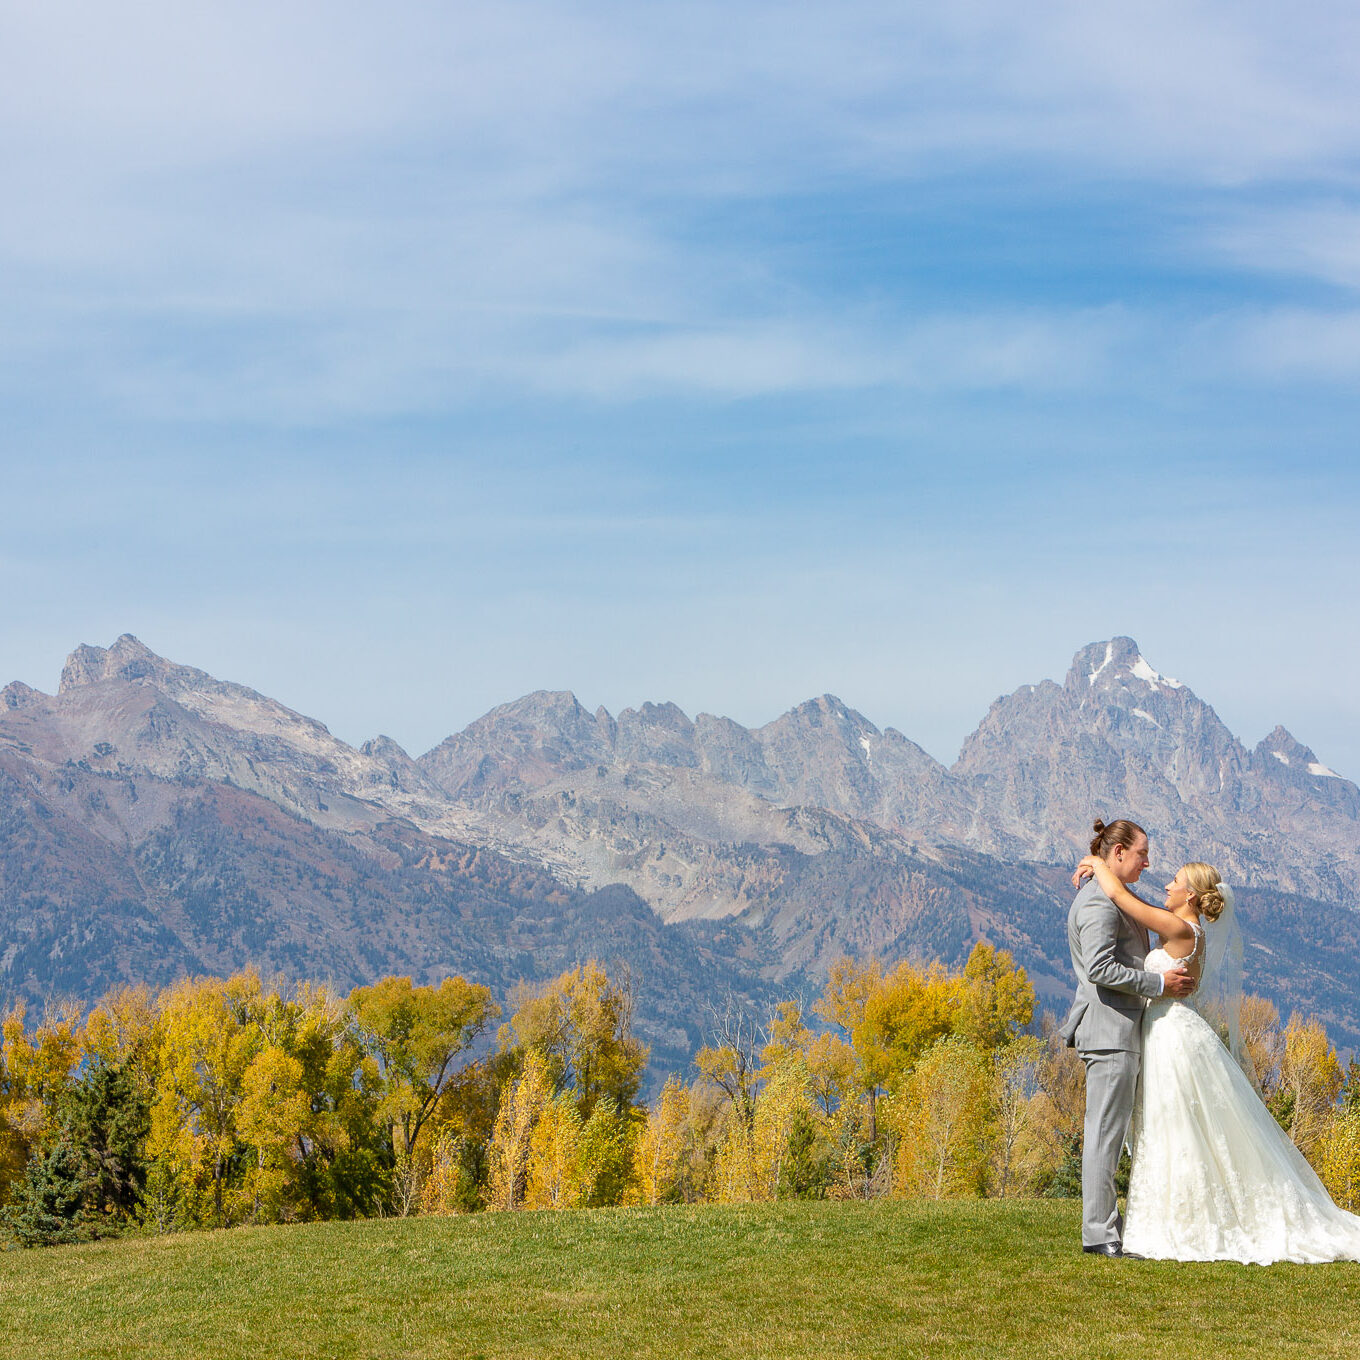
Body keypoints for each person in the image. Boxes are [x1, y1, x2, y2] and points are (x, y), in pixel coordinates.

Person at [1076, 850, 1360, 1263]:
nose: (1167, 886)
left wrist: (1098, 863)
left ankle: (1187, 1219)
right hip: (1166, 1030)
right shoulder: (1189, 928)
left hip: (1171, 1033)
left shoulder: (1179, 926)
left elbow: (1124, 900)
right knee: (1170, 1121)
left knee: (1176, 1120)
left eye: (1175, 883)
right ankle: (1172, 1215)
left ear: (1190, 895)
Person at [1059, 819, 1195, 1257]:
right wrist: (1158, 985)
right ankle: (1099, 1236)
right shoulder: (1100, 902)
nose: (1148, 861)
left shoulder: (1111, 894)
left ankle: (1107, 1230)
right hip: (1109, 1030)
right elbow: (1099, 969)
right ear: (1118, 853)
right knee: (1104, 1135)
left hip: (1117, 1029)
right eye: (1141, 853)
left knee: (1110, 1134)